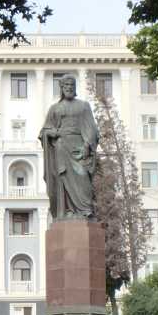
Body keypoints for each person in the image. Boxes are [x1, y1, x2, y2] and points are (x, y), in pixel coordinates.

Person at [38, 74, 99, 220]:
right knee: (63, 179)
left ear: (75, 88)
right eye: (66, 86)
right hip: (61, 147)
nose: (69, 88)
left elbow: (91, 128)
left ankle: (85, 209)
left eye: (72, 85)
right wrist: (52, 132)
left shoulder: (83, 106)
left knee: (83, 175)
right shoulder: (55, 108)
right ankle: (67, 210)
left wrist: (87, 145)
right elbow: (44, 130)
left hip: (79, 146)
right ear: (61, 88)